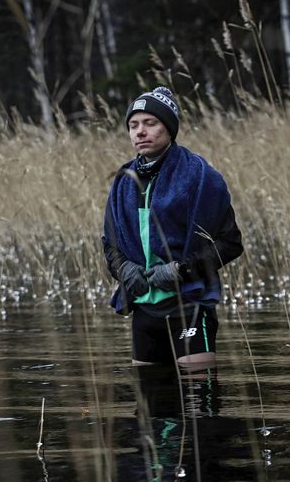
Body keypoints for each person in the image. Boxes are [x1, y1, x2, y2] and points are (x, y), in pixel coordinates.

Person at [102, 86, 243, 366]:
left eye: (150, 123)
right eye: (133, 125)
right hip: (143, 306)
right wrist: (125, 270)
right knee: (149, 400)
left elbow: (230, 243)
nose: (140, 131)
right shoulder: (123, 181)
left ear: (168, 127)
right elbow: (110, 245)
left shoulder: (200, 176)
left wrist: (180, 271)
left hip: (189, 305)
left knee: (198, 401)